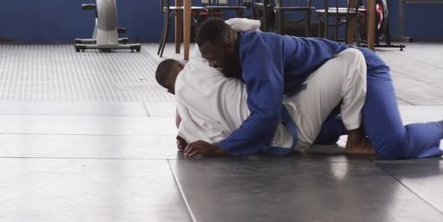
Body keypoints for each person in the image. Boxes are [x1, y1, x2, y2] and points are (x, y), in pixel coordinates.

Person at [191, 18, 443, 159]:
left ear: (229, 45)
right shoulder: (236, 47)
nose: (213, 66)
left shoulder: (256, 51)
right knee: (318, 135)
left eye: (215, 59)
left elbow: (266, 115)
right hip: (329, 87)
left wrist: (220, 148)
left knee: (392, 147)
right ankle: (365, 126)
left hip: (362, 70)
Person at [156, 47, 375, 157]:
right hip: (292, 124)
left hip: (281, 140)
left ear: (169, 92)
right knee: (353, 57)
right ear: (182, 65)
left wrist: (189, 141)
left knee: (317, 120)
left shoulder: (187, 122)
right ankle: (355, 138)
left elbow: (193, 139)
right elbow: (241, 26)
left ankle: (349, 127)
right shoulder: (199, 61)